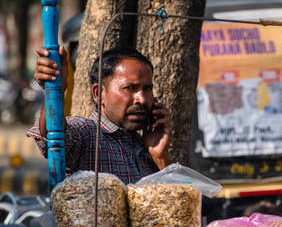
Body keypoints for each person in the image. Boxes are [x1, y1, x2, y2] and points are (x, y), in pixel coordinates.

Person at [28, 46, 173, 184]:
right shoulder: (88, 134)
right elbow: (51, 136)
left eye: (147, 89)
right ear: (99, 94)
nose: (141, 99)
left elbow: (174, 202)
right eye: (129, 88)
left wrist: (160, 157)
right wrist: (55, 90)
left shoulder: (145, 146)